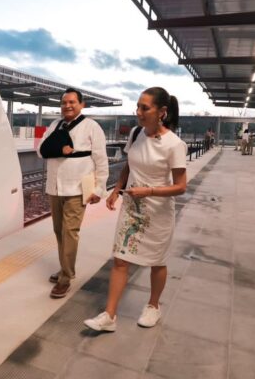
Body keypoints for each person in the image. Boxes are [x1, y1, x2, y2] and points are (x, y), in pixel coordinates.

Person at [84, 87, 187, 332]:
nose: (138, 112)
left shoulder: (174, 145)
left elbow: (181, 187)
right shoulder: (136, 133)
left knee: (156, 262)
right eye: (138, 106)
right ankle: (110, 316)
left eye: (145, 108)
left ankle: (153, 306)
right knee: (120, 259)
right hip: (132, 207)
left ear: (161, 112)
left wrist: (149, 191)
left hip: (158, 213)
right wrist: (117, 189)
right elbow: (128, 166)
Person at [37, 88, 108, 299]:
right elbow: (41, 150)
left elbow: (101, 160)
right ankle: (65, 267)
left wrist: (99, 189)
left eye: (72, 102)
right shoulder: (54, 125)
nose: (67, 106)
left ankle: (66, 277)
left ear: (82, 104)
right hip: (55, 187)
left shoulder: (92, 127)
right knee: (59, 231)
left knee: (70, 232)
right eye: (64, 102)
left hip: (78, 188)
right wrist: (60, 149)